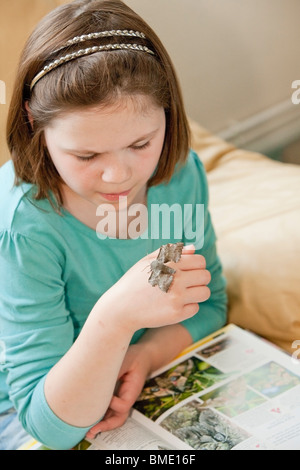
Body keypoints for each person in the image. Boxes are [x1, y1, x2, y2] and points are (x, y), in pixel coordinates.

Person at [0, 0, 227, 450]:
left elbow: (206, 303)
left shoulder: (179, 177)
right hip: (32, 406)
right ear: (33, 122)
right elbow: (49, 425)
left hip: (126, 369)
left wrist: (142, 354)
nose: (119, 176)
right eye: (86, 156)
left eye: (141, 143)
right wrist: (115, 319)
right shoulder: (26, 228)